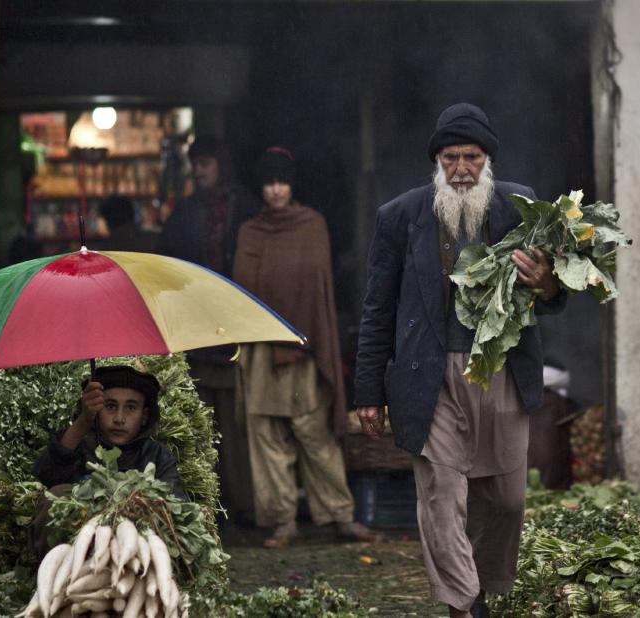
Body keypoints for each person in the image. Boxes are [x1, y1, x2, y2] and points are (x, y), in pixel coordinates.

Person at [353, 103, 564, 618]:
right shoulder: (401, 217)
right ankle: (461, 604)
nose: (462, 168)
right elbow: (377, 307)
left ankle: (483, 589)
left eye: (471, 156)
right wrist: (368, 392)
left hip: (500, 370)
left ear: (487, 159)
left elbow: (557, 294)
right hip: (431, 377)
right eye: (451, 158)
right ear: (437, 162)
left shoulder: (522, 207)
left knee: (506, 500)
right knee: (443, 493)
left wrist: (547, 282)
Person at [232, 147, 381, 549]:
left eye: (282, 182)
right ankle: (282, 521)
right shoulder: (249, 232)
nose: (276, 190)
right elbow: (240, 288)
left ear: (292, 186)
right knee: (266, 437)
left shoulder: (311, 225)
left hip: (302, 347)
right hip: (262, 348)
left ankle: (341, 515)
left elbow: (317, 288)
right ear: (260, 188)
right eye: (269, 183)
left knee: (315, 435)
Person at [155, 135, 260, 522]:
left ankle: (244, 503)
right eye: (194, 164)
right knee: (199, 419)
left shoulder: (243, 206)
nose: (199, 171)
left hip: (233, 323)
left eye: (205, 163)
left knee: (237, 421)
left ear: (220, 164)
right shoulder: (185, 211)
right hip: (193, 324)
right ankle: (205, 502)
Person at [30, 365, 184, 554]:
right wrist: (84, 420)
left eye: (130, 408)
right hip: (73, 553)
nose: (119, 419)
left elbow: (176, 508)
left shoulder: (157, 456)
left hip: (136, 556)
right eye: (110, 406)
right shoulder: (80, 444)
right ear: (96, 409)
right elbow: (46, 475)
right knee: (58, 494)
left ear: (144, 416)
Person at [87, 194, 159, 253]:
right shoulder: (152, 238)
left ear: (108, 218)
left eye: (99, 217)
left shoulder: (109, 249)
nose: (97, 222)